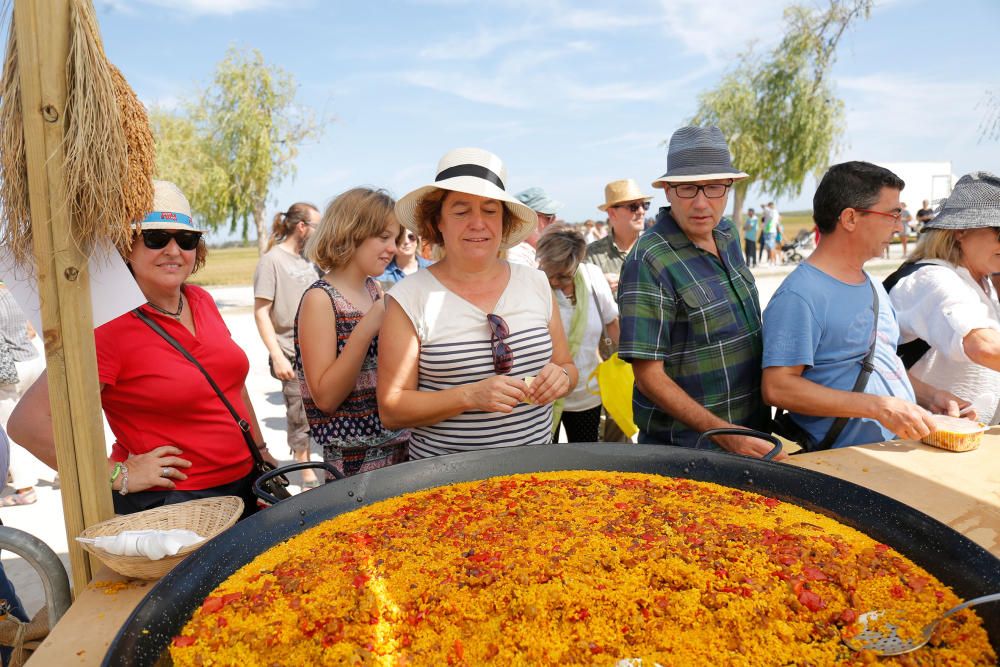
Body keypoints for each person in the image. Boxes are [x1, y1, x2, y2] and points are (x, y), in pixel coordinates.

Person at [9, 181, 274, 517]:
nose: (174, 250)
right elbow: (27, 423)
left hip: (246, 485)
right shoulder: (107, 326)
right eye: (156, 238)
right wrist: (117, 474)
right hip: (179, 508)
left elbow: (230, 384)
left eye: (186, 239)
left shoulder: (201, 300)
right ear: (126, 248)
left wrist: (261, 450)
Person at [377, 147, 577, 459]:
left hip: (537, 473)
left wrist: (561, 378)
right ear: (438, 222)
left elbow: (566, 366)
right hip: (444, 483)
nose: (478, 223)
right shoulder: (409, 298)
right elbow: (391, 408)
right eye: (461, 211)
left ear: (504, 221)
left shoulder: (536, 283)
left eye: (490, 210)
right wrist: (469, 396)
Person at [762, 162, 971, 449]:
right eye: (892, 214)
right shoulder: (800, 295)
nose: (900, 225)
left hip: (888, 455)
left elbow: (882, 363)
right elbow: (778, 387)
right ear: (849, 218)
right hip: (842, 465)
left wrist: (931, 397)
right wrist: (877, 407)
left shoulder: (872, 283)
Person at [618, 126, 777, 458]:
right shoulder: (648, 259)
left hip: (754, 435)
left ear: (729, 188)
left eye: (714, 187)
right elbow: (649, 377)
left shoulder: (728, 234)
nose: (702, 203)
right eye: (688, 188)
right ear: (668, 191)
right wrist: (725, 435)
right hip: (689, 449)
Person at [294, 188, 410, 477]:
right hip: (356, 465)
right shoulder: (321, 299)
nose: (393, 248)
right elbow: (326, 397)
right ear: (351, 232)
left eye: (395, 239)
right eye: (383, 237)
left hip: (400, 450)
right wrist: (368, 326)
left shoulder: (373, 289)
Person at [888, 172, 1000, 424]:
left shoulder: (980, 278)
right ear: (961, 231)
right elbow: (983, 346)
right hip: (919, 440)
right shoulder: (934, 279)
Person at [252, 202, 322, 489]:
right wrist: (276, 355)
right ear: (301, 226)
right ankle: (303, 466)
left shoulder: (311, 260)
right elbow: (261, 311)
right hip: (291, 353)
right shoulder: (272, 261)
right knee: (299, 411)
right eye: (317, 225)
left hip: (319, 350)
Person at [536, 226, 619, 442]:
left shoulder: (593, 278)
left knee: (585, 459)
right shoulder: (535, 284)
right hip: (544, 395)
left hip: (587, 394)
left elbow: (612, 321)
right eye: (549, 274)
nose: (554, 282)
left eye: (563, 277)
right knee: (544, 466)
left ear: (576, 265)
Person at [0, 285, 47, 506]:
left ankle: (25, 488)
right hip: (32, 359)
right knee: (43, 419)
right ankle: (64, 473)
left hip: (9, 370)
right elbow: (31, 330)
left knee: (10, 428)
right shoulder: (13, 291)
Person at [587, 179, 651, 297]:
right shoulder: (591, 255)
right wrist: (596, 285)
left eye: (644, 205)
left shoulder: (656, 249)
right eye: (633, 206)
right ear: (612, 213)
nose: (641, 211)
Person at [506, 187, 562, 267]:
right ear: (526, 219)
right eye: (549, 217)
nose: (554, 221)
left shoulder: (532, 253)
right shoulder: (516, 256)